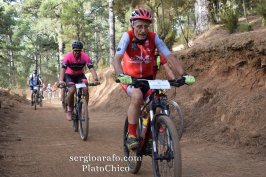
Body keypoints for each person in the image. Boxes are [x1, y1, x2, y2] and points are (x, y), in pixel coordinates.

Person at [112, 8, 196, 150]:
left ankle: (150, 138)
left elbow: (169, 57)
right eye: (139, 26)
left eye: (146, 26)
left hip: (148, 79)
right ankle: (132, 134)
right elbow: (117, 59)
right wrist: (121, 75)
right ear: (133, 25)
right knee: (137, 96)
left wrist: (184, 74)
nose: (143, 30)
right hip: (130, 79)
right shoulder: (127, 36)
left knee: (157, 103)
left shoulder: (153, 37)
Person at [58, 40, 100, 120]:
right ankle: (70, 110)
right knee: (72, 90)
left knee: (85, 88)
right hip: (69, 75)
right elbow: (63, 69)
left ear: (81, 50)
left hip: (80, 75)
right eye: (75, 51)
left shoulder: (85, 57)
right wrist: (61, 80)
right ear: (72, 50)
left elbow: (91, 68)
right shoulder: (68, 57)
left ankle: (84, 109)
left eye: (79, 51)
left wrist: (96, 79)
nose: (77, 52)